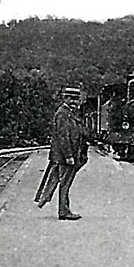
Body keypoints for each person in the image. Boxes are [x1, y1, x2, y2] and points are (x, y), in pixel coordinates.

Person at [35, 86, 86, 220]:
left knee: (57, 180)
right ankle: (63, 211)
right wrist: (68, 155)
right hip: (64, 156)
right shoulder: (63, 114)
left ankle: (44, 199)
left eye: (77, 99)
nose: (75, 102)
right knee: (65, 183)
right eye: (72, 99)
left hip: (65, 155)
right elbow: (63, 136)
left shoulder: (69, 112)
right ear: (66, 99)